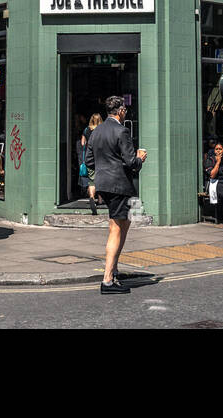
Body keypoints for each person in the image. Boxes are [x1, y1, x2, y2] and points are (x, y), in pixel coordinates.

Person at [85, 95, 146, 295]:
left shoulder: (96, 131)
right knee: (116, 229)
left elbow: (89, 162)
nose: (125, 113)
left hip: (104, 184)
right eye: (125, 110)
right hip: (119, 186)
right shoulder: (122, 131)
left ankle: (114, 270)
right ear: (120, 111)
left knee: (123, 224)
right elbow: (131, 162)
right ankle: (108, 280)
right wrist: (140, 157)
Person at [78, 113, 101, 215]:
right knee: (101, 179)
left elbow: (82, 143)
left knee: (92, 180)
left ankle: (92, 197)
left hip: (89, 158)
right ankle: (100, 200)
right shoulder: (102, 130)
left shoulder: (86, 130)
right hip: (101, 158)